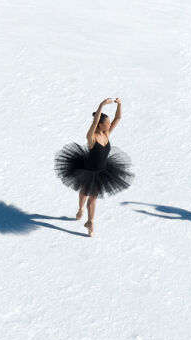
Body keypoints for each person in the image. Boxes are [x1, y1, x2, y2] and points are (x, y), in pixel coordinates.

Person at [54, 98, 133, 236]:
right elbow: (94, 121)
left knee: (93, 197)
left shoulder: (106, 134)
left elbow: (118, 118)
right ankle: (80, 209)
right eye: (107, 122)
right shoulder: (91, 137)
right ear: (100, 125)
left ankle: (90, 222)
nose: (109, 124)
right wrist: (101, 105)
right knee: (84, 192)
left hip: (102, 171)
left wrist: (119, 105)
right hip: (87, 171)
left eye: (109, 122)